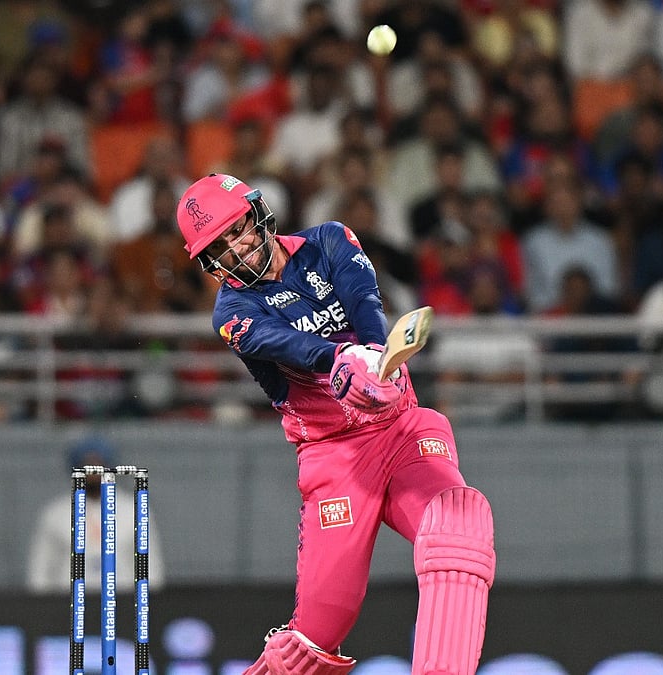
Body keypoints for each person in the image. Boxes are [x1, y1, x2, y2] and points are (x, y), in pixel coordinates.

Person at [175, 173, 495, 673]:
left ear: (259, 215)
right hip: (335, 460)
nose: (235, 251)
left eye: (237, 231)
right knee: (310, 645)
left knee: (459, 525)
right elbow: (292, 347)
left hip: (400, 428)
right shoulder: (231, 312)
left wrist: (372, 356)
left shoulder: (329, 241)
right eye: (219, 248)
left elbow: (365, 300)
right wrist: (342, 361)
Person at [26, 434, 165, 593]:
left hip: (121, 600)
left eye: (98, 464)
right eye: (87, 465)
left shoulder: (133, 509)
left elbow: (150, 566)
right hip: (69, 603)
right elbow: (40, 568)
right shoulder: (56, 513)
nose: (93, 472)